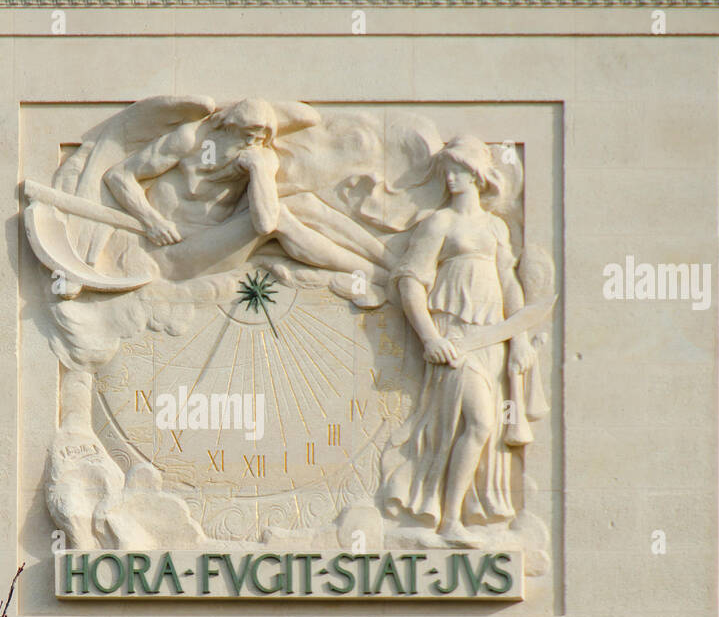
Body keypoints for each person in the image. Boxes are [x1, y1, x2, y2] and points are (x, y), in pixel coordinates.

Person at [380, 136, 536, 547]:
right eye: (447, 169)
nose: (451, 177)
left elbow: (508, 283)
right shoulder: (438, 223)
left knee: (478, 428)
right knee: (480, 421)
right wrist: (429, 336)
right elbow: (410, 281)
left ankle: (457, 513)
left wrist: (518, 337)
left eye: (460, 169)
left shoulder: (496, 227)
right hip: (455, 337)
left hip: (492, 338)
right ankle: (449, 520)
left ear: (478, 173)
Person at [103, 99, 391, 285]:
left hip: (213, 246)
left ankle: (390, 263)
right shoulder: (188, 141)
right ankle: (376, 278)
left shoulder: (259, 156)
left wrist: (259, 169)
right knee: (280, 221)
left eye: (260, 138)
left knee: (301, 201)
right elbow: (119, 175)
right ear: (226, 127)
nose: (252, 144)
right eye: (246, 136)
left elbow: (308, 115)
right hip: (171, 259)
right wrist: (152, 220)